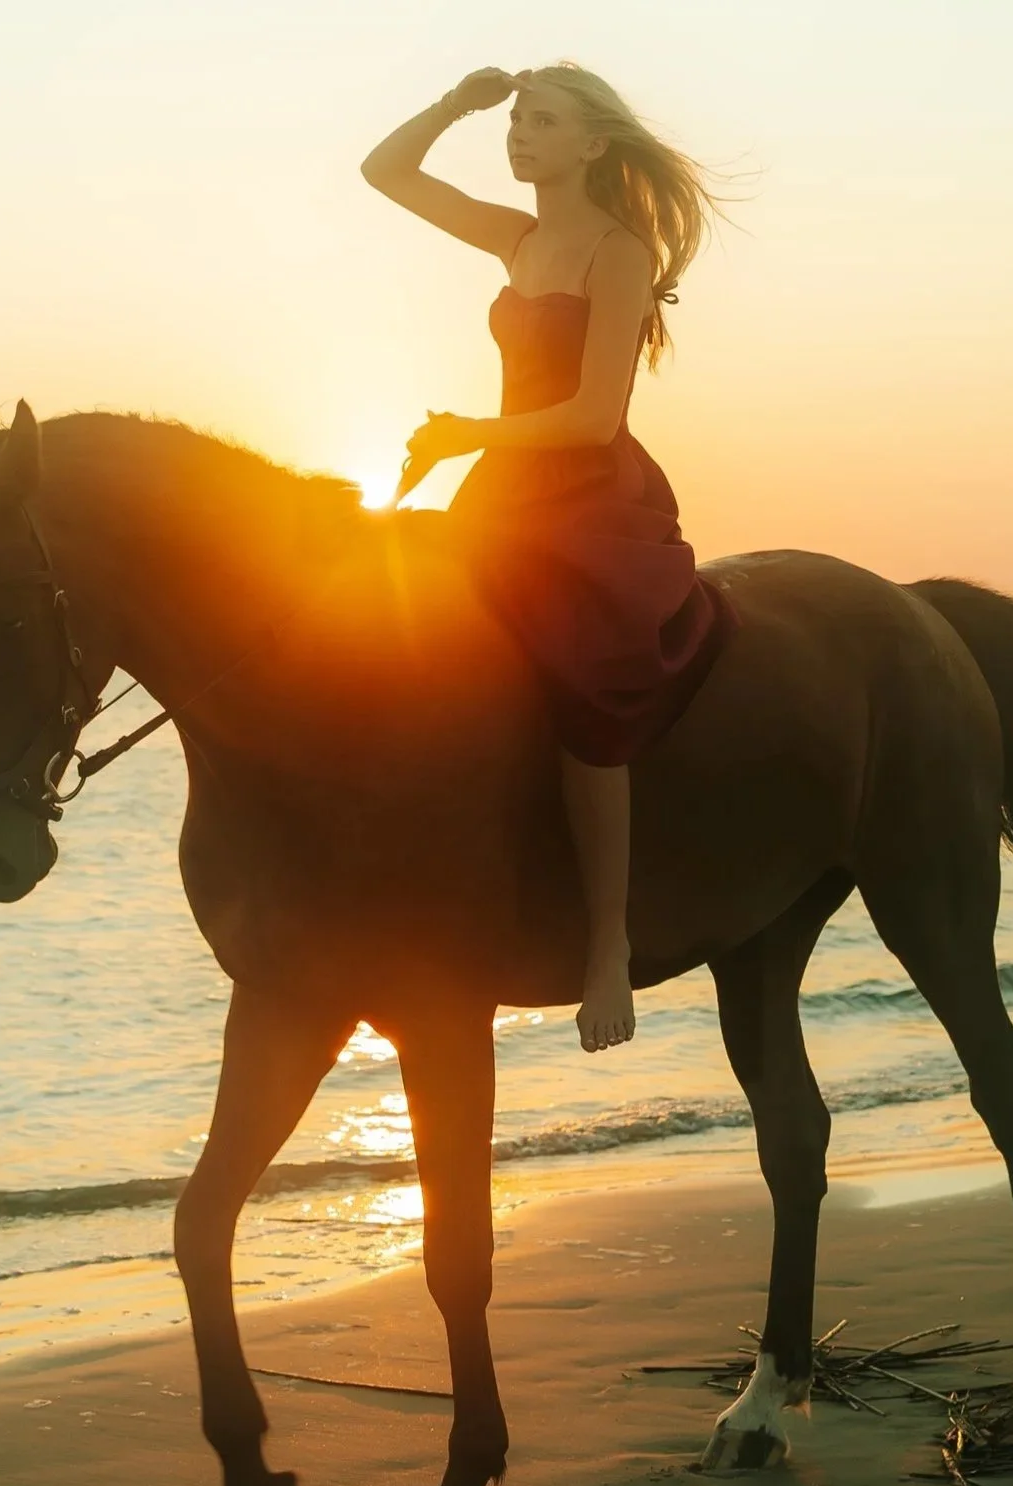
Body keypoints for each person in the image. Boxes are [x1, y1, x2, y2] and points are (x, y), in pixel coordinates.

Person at [363, 63, 735, 1053]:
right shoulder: (516, 237)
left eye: (544, 121)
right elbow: (384, 172)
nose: (520, 135)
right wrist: (452, 104)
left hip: (587, 494)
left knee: (583, 676)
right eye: (518, 120)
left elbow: (595, 415)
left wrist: (469, 435)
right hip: (502, 491)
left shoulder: (620, 251)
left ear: (593, 145)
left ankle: (607, 942)